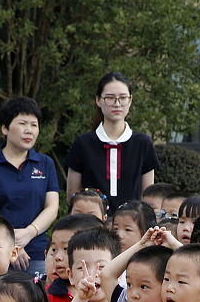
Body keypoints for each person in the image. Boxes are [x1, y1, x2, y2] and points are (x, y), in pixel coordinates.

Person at [0, 97, 59, 276]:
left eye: (34, 125)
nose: (29, 130)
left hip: (36, 252)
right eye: (22, 123)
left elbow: (52, 208)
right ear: (5, 128)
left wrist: (29, 233)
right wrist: (12, 243)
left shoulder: (45, 163)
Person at [65, 72, 159, 211]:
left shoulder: (142, 143)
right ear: (98, 100)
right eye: (110, 98)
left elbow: (147, 198)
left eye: (122, 98)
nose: (117, 104)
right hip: (91, 225)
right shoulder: (83, 143)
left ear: (130, 100)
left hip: (131, 225)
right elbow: (72, 197)